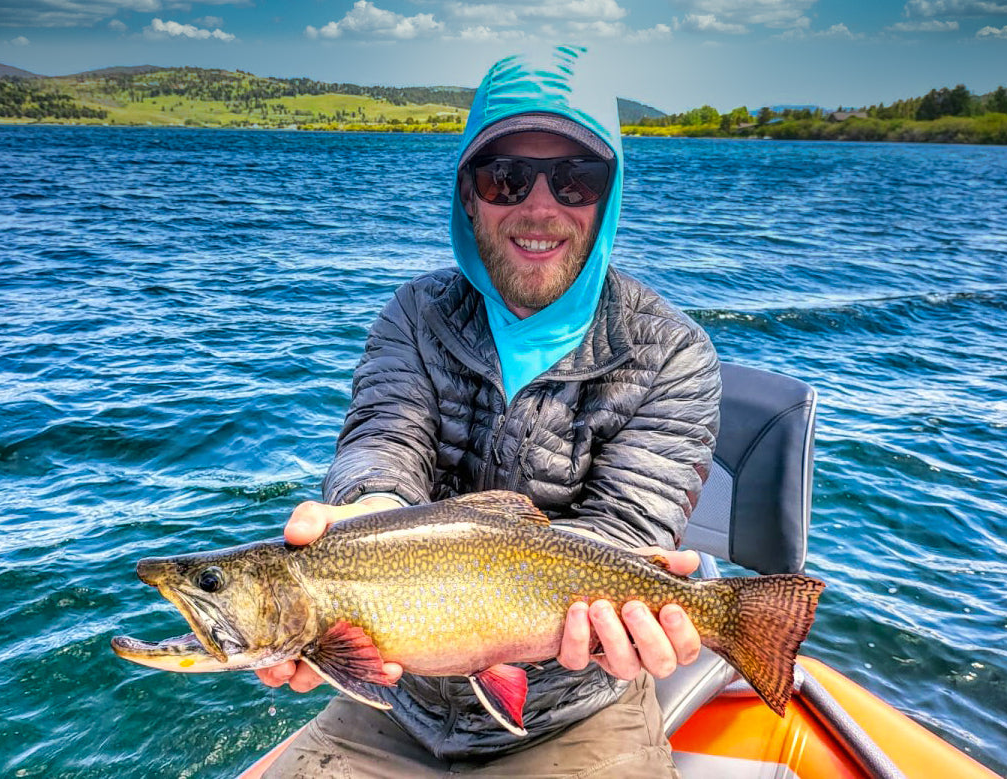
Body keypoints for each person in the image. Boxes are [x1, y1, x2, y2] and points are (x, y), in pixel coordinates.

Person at [259, 46, 721, 778]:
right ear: (468, 194)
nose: (539, 207)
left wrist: (617, 612)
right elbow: (383, 440)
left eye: (573, 178)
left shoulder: (671, 352)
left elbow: (625, 529)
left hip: (575, 713)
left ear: (608, 197)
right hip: (393, 699)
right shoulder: (415, 315)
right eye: (505, 177)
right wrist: (366, 517)